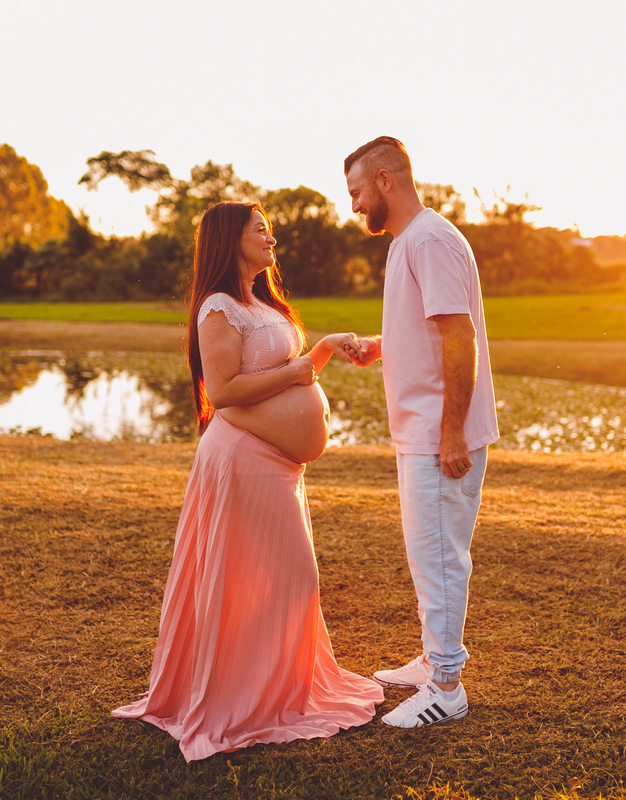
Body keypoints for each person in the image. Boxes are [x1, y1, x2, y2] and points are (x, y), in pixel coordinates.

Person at [111, 201, 383, 761]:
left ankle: (274, 691)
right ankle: (248, 702)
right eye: (260, 229)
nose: (271, 238)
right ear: (229, 239)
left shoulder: (261, 301)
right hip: (242, 459)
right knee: (273, 579)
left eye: (269, 230)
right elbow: (224, 391)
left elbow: (289, 374)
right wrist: (298, 370)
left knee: (283, 580)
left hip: (278, 465)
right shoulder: (218, 306)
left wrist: (323, 349)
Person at [344, 137, 499, 728]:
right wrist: (381, 347)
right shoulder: (411, 240)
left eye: (357, 191)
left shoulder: (429, 239)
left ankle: (446, 688)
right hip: (424, 431)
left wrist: (452, 432)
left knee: (439, 557)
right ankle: (434, 659)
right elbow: (429, 329)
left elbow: (461, 336)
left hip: (439, 436)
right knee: (426, 553)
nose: (355, 205)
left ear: (386, 179)